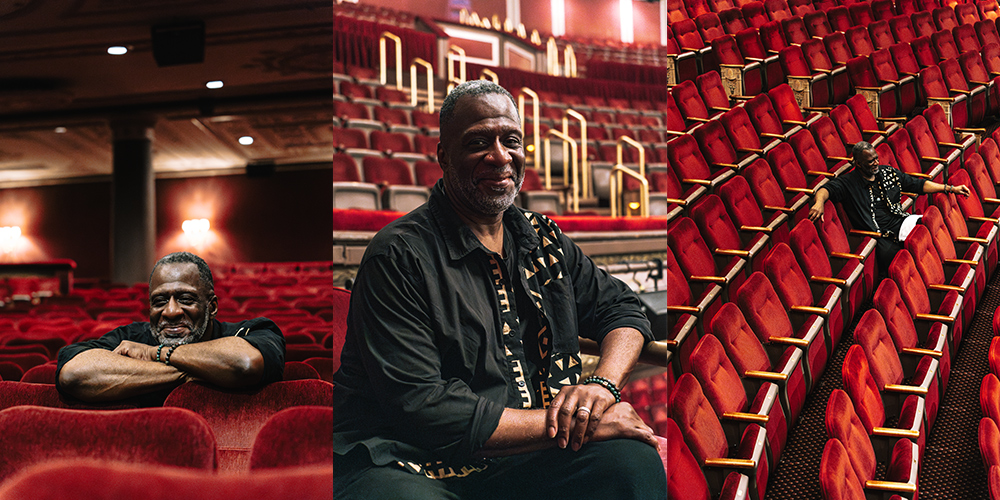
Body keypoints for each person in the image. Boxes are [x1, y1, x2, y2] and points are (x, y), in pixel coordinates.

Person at [330, 80, 665, 500]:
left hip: (519, 452)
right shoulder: (398, 255)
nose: (500, 156)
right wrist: (587, 421)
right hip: (407, 461)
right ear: (443, 156)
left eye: (511, 140)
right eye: (478, 143)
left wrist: (602, 387)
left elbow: (624, 311)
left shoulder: (545, 239)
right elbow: (425, 408)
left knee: (630, 463)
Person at [56, 252, 285, 406]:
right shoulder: (130, 336)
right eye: (159, 301)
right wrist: (199, 372)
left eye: (185, 299)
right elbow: (75, 374)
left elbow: (243, 363)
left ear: (212, 307)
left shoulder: (252, 331)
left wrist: (155, 354)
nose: (171, 312)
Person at [807, 141, 971, 273]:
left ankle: (947, 267)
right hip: (882, 234)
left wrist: (950, 188)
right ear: (858, 163)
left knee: (931, 224)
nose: (876, 163)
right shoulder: (849, 183)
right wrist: (819, 202)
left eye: (876, 158)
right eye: (871, 161)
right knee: (903, 263)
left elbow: (917, 184)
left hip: (902, 220)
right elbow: (826, 189)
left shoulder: (887, 172)